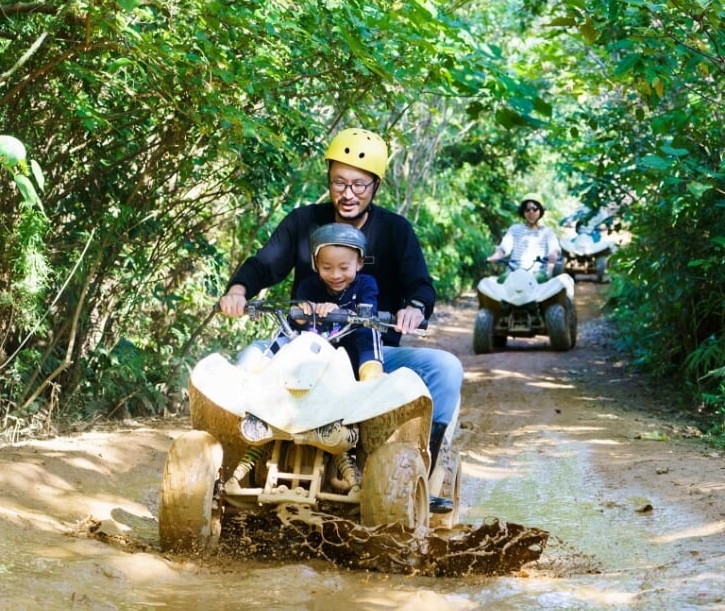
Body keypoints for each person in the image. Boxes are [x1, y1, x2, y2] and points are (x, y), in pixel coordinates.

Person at [219, 127, 462, 514]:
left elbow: (421, 284)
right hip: (303, 351)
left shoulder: (395, 231)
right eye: (339, 182)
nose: (348, 194)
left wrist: (415, 306)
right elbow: (265, 264)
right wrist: (238, 290)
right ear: (329, 180)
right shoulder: (303, 223)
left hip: (370, 355)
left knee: (445, 368)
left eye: (360, 185)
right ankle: (231, 465)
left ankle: (422, 472)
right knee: (249, 355)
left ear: (376, 185)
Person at [290, 222, 384, 381]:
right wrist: (303, 315)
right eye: (327, 268)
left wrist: (339, 311)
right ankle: (258, 369)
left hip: (355, 350)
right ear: (316, 264)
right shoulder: (308, 286)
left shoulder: (366, 284)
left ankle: (372, 376)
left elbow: (368, 315)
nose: (335, 275)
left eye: (344, 267)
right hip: (317, 352)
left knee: (370, 328)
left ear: (359, 263)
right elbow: (296, 324)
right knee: (286, 332)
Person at [486, 197, 561, 281]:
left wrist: (553, 256)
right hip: (514, 272)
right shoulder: (514, 229)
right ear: (523, 212)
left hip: (538, 274)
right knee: (501, 280)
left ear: (540, 211)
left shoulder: (547, 232)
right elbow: (504, 247)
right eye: (527, 209)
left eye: (535, 209)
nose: (531, 212)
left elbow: (554, 248)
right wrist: (495, 256)